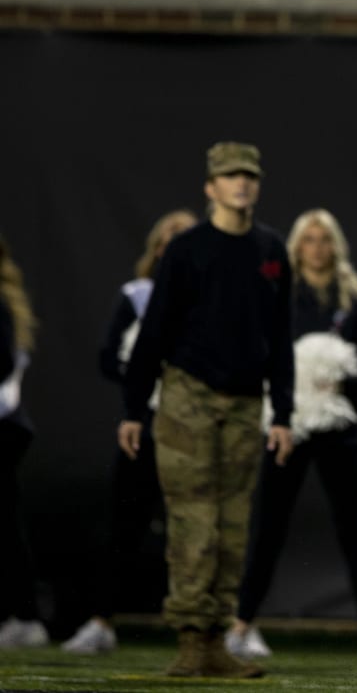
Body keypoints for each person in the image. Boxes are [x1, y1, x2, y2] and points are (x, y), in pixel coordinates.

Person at [118, 142, 294, 679]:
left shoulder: (270, 250)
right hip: (187, 397)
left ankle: (216, 639)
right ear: (210, 187)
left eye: (249, 175)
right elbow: (154, 333)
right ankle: (192, 639)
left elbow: (280, 338)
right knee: (194, 520)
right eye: (230, 175)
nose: (241, 183)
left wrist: (283, 413)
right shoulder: (187, 248)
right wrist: (133, 407)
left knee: (232, 524)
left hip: (246, 403)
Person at [227, 208, 357, 668]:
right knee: (268, 527)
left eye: (324, 239)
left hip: (338, 431)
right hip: (287, 426)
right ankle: (241, 627)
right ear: (296, 246)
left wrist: (340, 384)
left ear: (334, 245)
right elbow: (261, 355)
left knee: (350, 533)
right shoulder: (280, 295)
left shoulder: (355, 300)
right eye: (308, 239)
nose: (316, 247)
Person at [62, 209, 198, 655]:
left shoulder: (212, 301)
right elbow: (109, 358)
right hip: (145, 427)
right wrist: (144, 383)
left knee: (198, 528)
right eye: (170, 237)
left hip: (195, 429)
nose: (177, 245)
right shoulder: (138, 296)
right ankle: (101, 621)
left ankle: (203, 631)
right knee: (124, 525)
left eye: (187, 237)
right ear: (158, 248)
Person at [0, 235, 47, 650]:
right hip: (10, 424)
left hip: (4, 425)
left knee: (7, 525)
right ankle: (23, 613)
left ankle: (25, 615)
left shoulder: (2, 304)